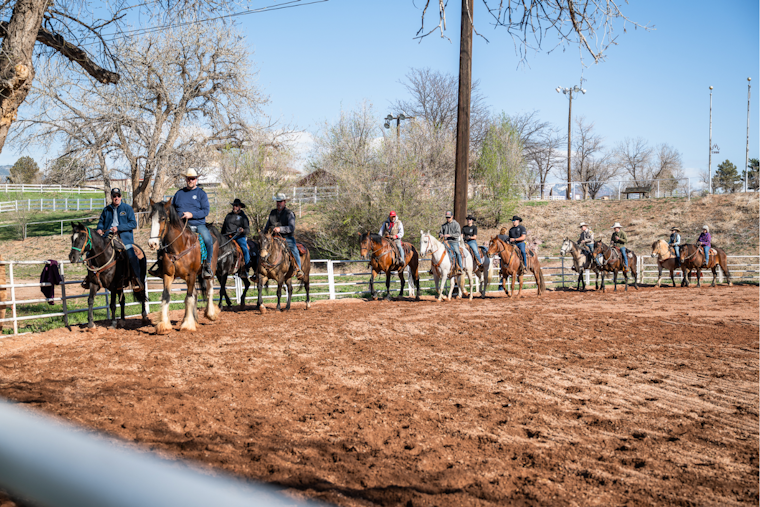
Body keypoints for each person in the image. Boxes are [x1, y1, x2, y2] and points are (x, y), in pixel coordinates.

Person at [93, 188, 144, 291]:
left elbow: (133, 224)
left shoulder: (127, 208)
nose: (116, 198)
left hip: (124, 238)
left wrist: (119, 228)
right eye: (114, 196)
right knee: (93, 251)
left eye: (118, 196)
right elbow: (101, 222)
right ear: (111, 197)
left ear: (121, 197)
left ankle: (136, 279)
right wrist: (99, 229)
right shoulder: (106, 209)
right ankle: (91, 278)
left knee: (131, 254)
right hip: (107, 237)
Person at [173, 168, 214, 278]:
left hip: (198, 224)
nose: (191, 180)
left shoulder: (201, 194)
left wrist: (192, 214)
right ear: (186, 179)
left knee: (208, 240)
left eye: (193, 178)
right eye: (189, 178)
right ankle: (163, 264)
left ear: (196, 179)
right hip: (181, 225)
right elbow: (172, 209)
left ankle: (207, 265)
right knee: (166, 238)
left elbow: (206, 211)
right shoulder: (179, 194)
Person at [263, 193, 304, 280]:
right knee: (262, 248)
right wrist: (264, 234)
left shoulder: (289, 213)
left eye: (280, 201)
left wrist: (280, 229)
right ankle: (258, 271)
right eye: (277, 201)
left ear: (285, 202)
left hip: (286, 238)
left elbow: (291, 228)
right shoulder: (272, 212)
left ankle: (298, 269)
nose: (279, 203)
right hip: (273, 237)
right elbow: (267, 226)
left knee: (294, 249)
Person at [221, 198, 251, 272]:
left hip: (238, 236)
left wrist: (243, 230)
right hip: (227, 236)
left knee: (245, 248)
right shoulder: (228, 216)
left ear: (240, 206)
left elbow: (247, 230)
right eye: (234, 205)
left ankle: (246, 268)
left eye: (236, 205)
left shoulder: (243, 217)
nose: (234, 207)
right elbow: (223, 228)